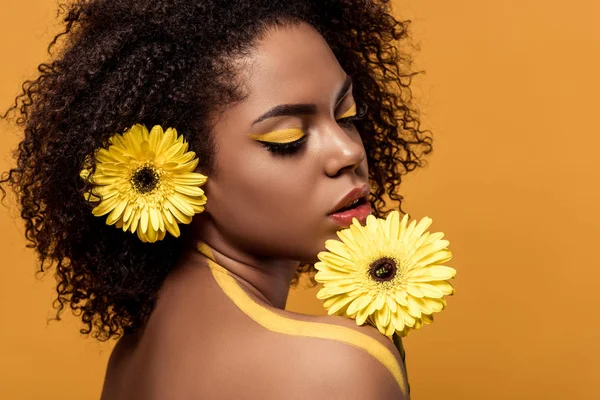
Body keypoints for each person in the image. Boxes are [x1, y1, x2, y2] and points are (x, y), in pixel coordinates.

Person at [1, 0, 433, 398]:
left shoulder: (132, 356)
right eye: (288, 139)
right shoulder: (338, 368)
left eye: (348, 115)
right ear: (176, 172)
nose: (349, 152)